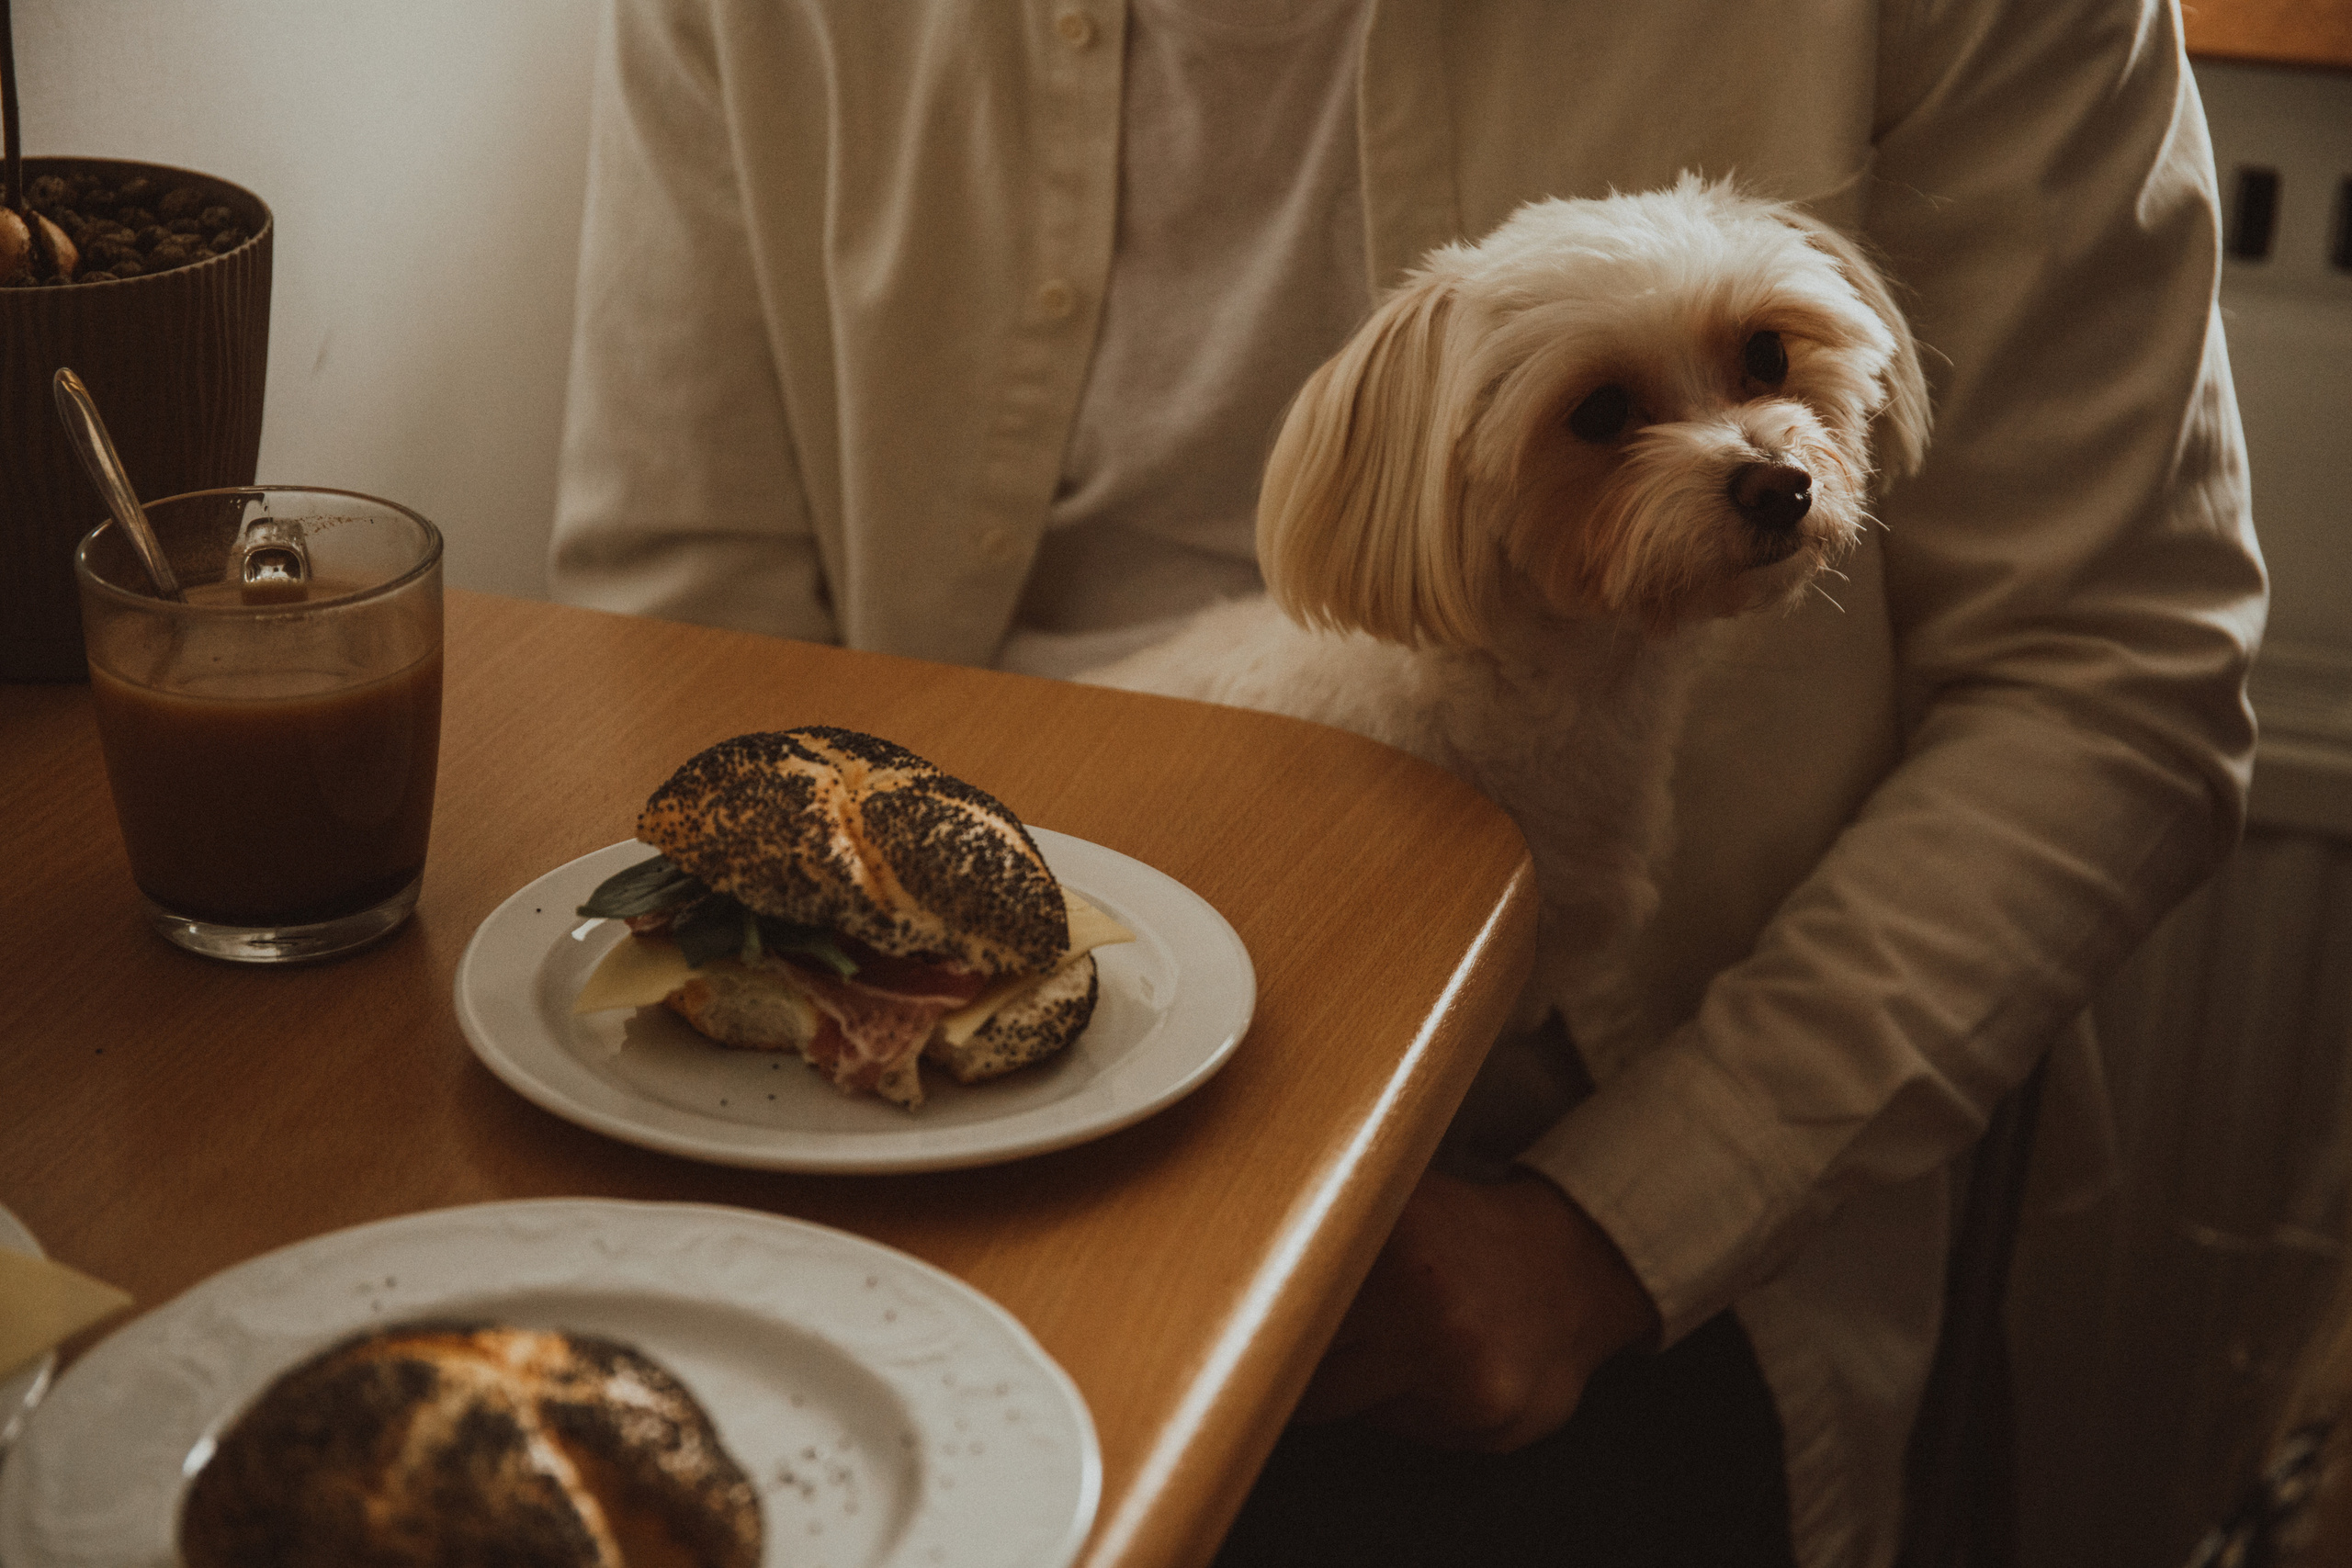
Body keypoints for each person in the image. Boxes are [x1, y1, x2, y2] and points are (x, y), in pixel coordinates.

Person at [549, 3, 2267, 1563]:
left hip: (1655, 1175)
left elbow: (2125, 679)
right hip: (945, 1079)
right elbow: (699, 655)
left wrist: (1609, 1238)